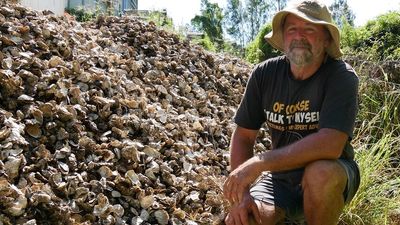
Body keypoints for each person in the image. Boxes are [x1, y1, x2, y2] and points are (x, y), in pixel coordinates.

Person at [223, 0, 360, 224]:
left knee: (320, 174)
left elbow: (331, 145)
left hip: (334, 172)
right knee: (243, 219)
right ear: (283, 37)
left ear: (326, 39)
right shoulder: (264, 74)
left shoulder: (341, 76)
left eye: (309, 29)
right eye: (291, 29)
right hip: (281, 177)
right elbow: (244, 136)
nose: (299, 36)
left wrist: (259, 162)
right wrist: (243, 195)